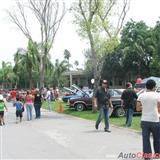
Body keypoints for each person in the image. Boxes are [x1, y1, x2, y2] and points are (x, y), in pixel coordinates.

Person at [136, 79, 160, 160]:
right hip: (155, 119)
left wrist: (145, 107)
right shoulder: (158, 95)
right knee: (157, 138)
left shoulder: (141, 95)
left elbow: (138, 109)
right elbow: (159, 108)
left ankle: (147, 156)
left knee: (145, 139)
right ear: (154, 87)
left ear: (146, 86)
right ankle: (157, 154)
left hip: (144, 120)